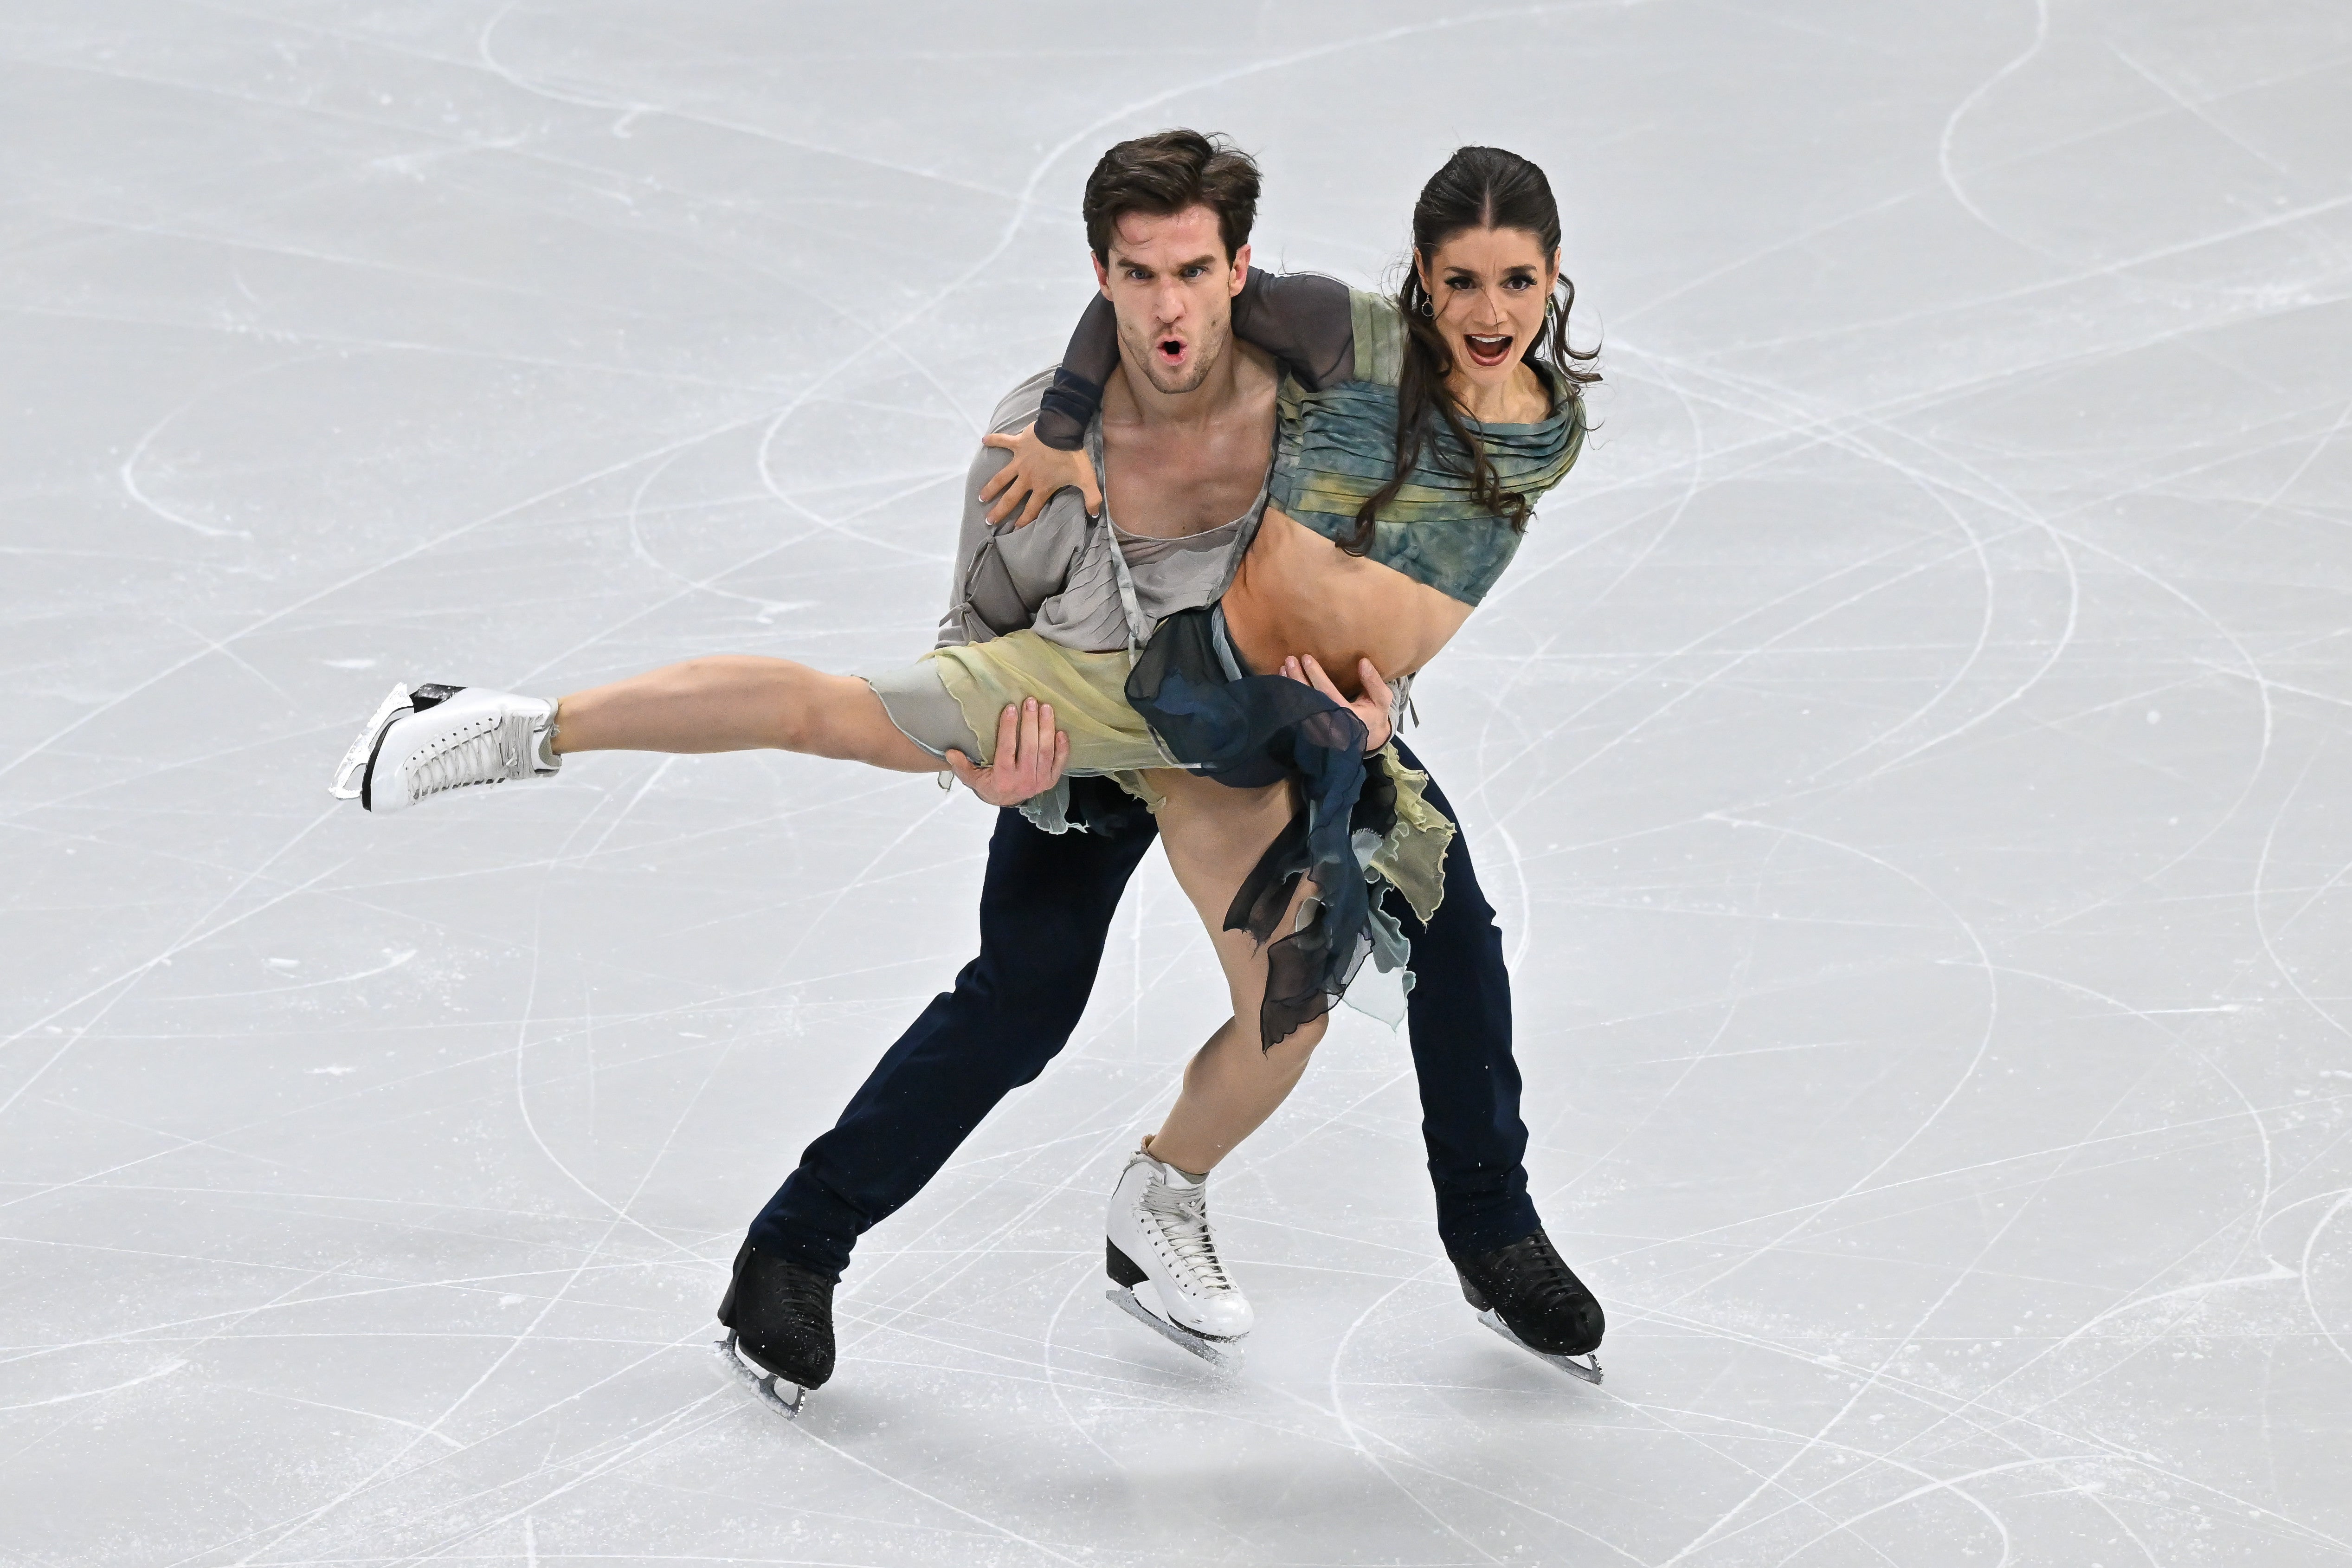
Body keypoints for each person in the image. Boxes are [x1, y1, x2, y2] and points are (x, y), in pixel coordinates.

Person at [328, 132, 1606, 1412]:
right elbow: (970, 634)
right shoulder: (1035, 442)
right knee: (1018, 992)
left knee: (1338, 985)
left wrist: (1372, 704)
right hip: (1085, 717)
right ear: (1102, 275)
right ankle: (527, 749)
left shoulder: (1314, 380)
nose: (1170, 305)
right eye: (1138, 273)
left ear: (1238, 272)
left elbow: (1398, 557)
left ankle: (1253, 1201)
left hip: (1256, 726)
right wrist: (1002, 779)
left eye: (1194, 272)